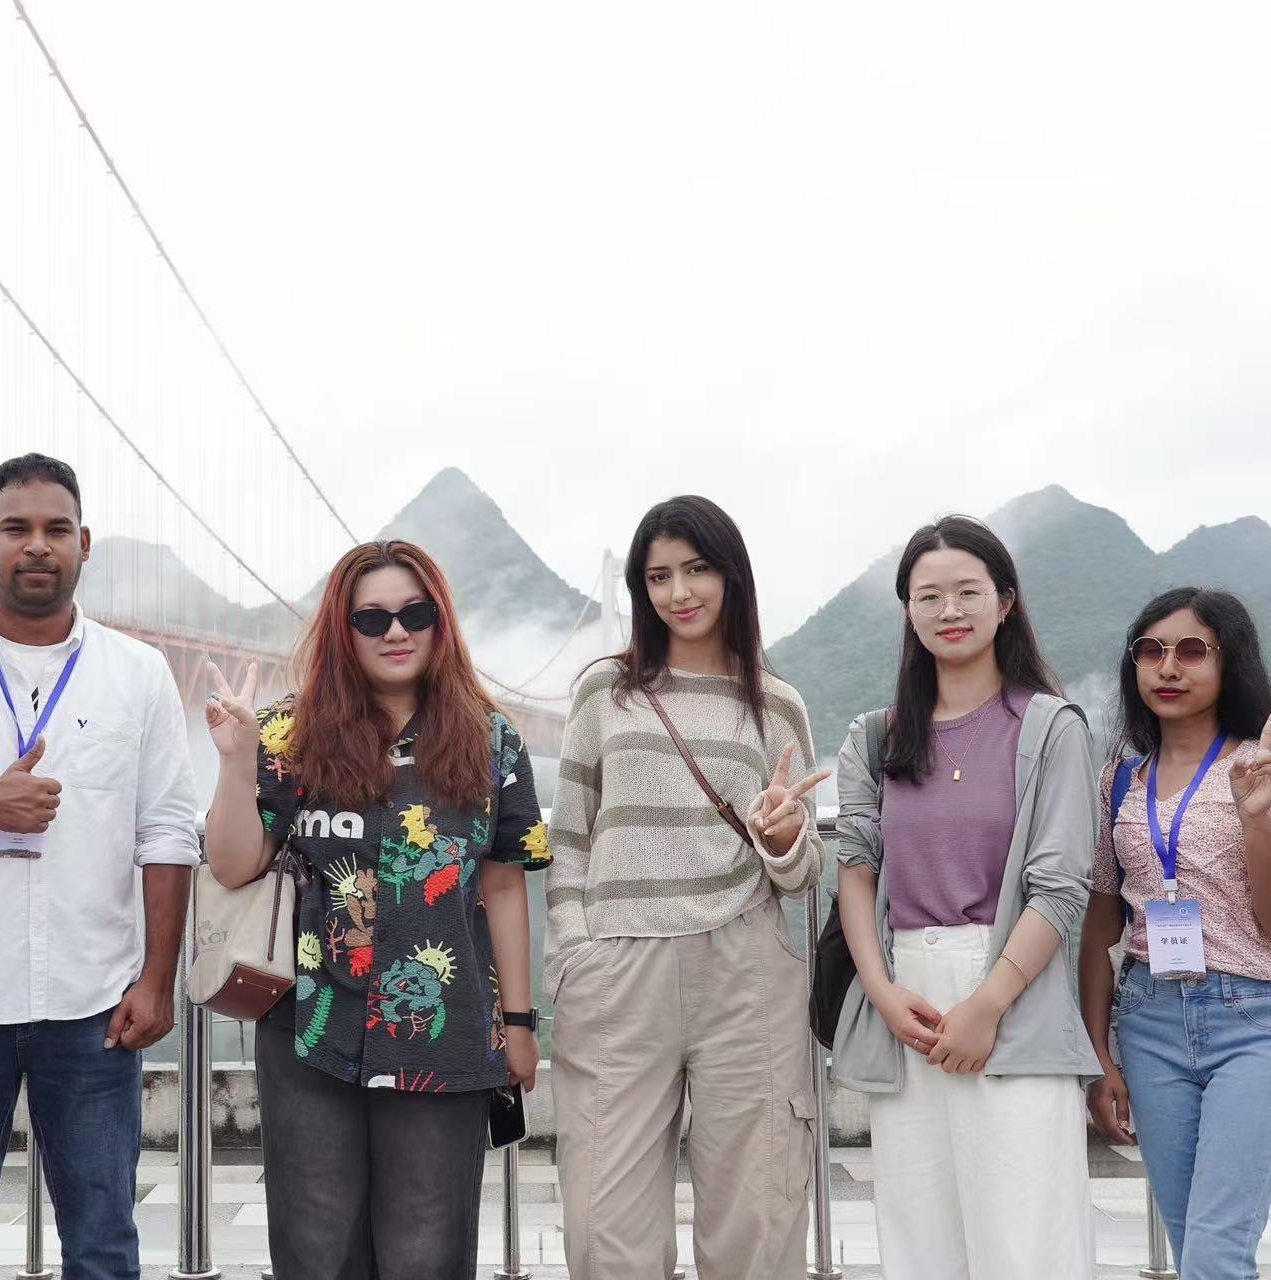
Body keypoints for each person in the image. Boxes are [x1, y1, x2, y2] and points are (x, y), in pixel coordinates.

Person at [0, 453, 200, 1280]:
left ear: (85, 543)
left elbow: (165, 830)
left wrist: (156, 979)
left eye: (57, 529)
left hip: (94, 999)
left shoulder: (137, 672)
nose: (37, 545)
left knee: (103, 1242)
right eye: (16, 528)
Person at [200, 539, 546, 1280]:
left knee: (428, 1252)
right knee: (316, 1249)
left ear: (440, 622)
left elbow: (503, 887)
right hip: (310, 1026)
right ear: (343, 630)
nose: (395, 631)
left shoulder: (492, 741)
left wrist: (519, 1025)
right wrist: (234, 761)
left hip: (443, 1031)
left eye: (415, 614)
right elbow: (233, 864)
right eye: (372, 618)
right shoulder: (289, 734)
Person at [546, 495, 827, 1280]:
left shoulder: (777, 703)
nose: (678, 592)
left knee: (758, 1219)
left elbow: (802, 873)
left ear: (731, 575)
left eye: (696, 569)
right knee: (605, 1225)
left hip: (746, 965)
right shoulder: (604, 691)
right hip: (619, 967)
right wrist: (575, 956)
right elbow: (568, 837)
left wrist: (781, 837)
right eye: (658, 576)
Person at [826, 514, 1100, 1279]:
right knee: (920, 1234)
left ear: (1004, 602)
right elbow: (855, 868)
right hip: (906, 998)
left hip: (1012, 987)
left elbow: (1059, 886)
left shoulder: (1049, 728)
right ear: (907, 612)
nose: (949, 610)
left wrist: (987, 1004)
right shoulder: (876, 738)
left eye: (967, 592)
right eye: (928, 596)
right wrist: (881, 992)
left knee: (1024, 1235)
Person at [1081, 586, 1271, 1279]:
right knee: (1189, 1240)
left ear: (1230, 662)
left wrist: (1255, 819)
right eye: (1151, 650)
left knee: (1215, 1251)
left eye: (1192, 650)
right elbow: (1100, 927)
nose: (1169, 667)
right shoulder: (1118, 783)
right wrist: (1099, 1054)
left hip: (1256, 1018)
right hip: (1149, 1020)